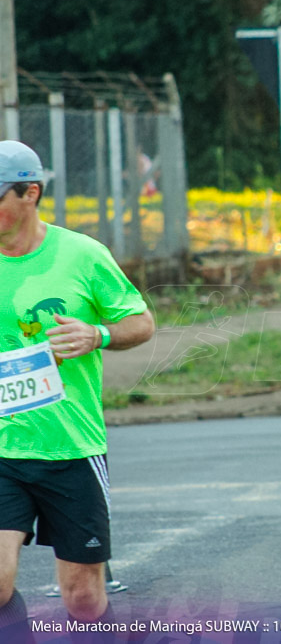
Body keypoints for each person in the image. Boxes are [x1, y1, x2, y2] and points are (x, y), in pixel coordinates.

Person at [0, 140, 155, 638]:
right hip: (5, 447)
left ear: (31, 193)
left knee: (83, 599)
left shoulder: (83, 255)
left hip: (72, 447)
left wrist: (98, 335)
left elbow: (141, 321)